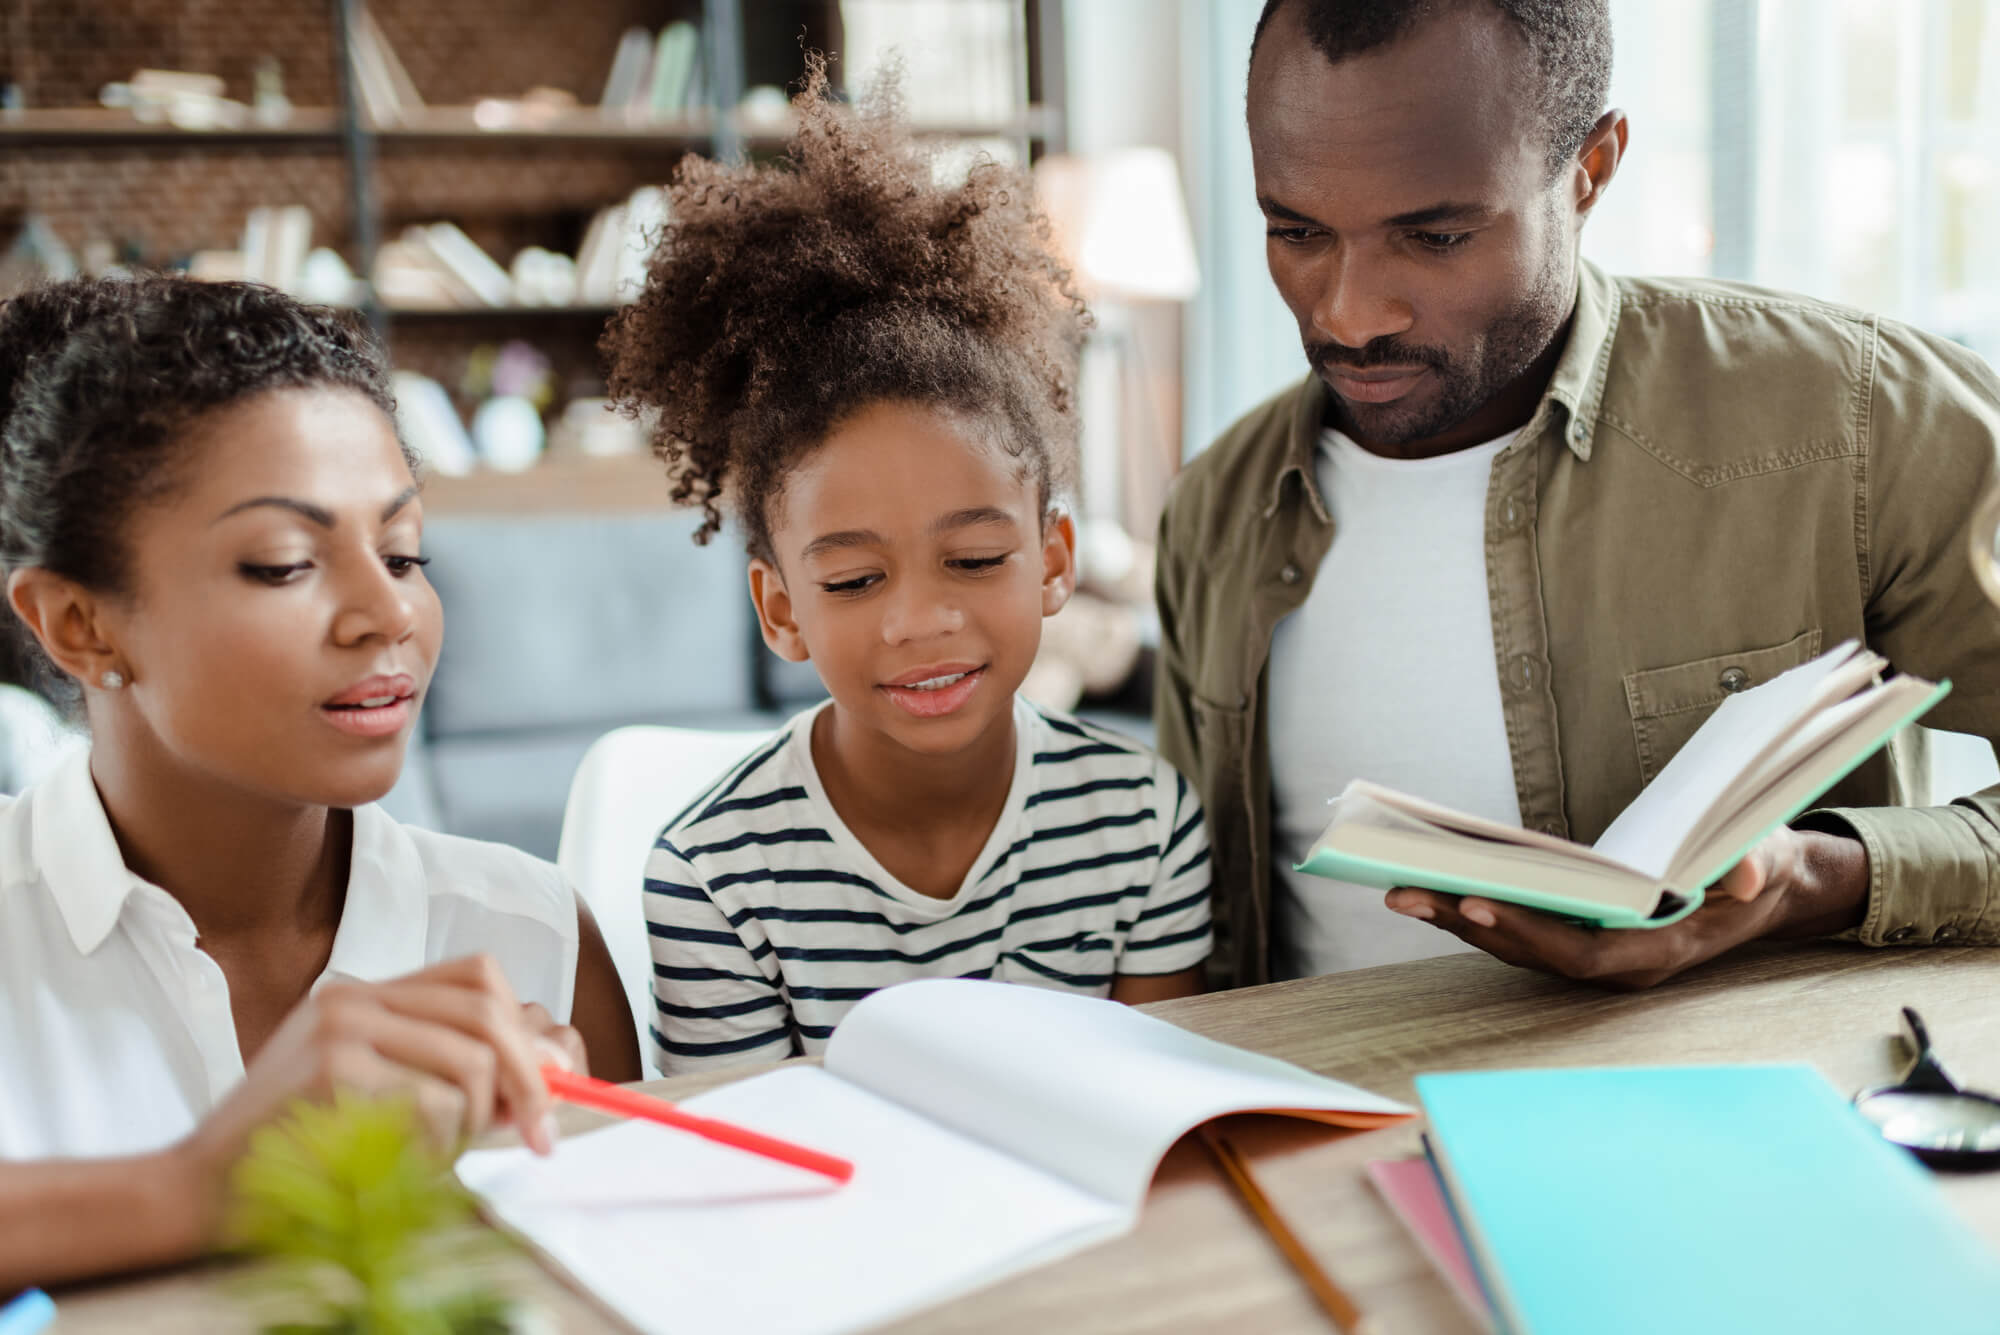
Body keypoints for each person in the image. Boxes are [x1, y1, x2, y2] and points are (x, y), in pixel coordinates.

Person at [1156, 0, 2000, 990]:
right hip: (1309, 1137)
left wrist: (1821, 877)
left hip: (1726, 1126)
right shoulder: (1212, 509)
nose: (1346, 315)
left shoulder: (1856, 421)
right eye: (1295, 229)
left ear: (1589, 170)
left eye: (1431, 238)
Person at [0, 276, 640, 1289]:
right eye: (283, 563)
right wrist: (200, 1185)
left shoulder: (532, 939)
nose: (384, 615)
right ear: (81, 626)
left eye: (401, 552)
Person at [603, 61, 1214, 1075]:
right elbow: (754, 1166)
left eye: (973, 558)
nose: (919, 619)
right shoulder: (710, 878)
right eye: (851, 581)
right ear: (780, 609)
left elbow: (1154, 1112)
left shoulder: (1140, 825)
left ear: (1054, 560)